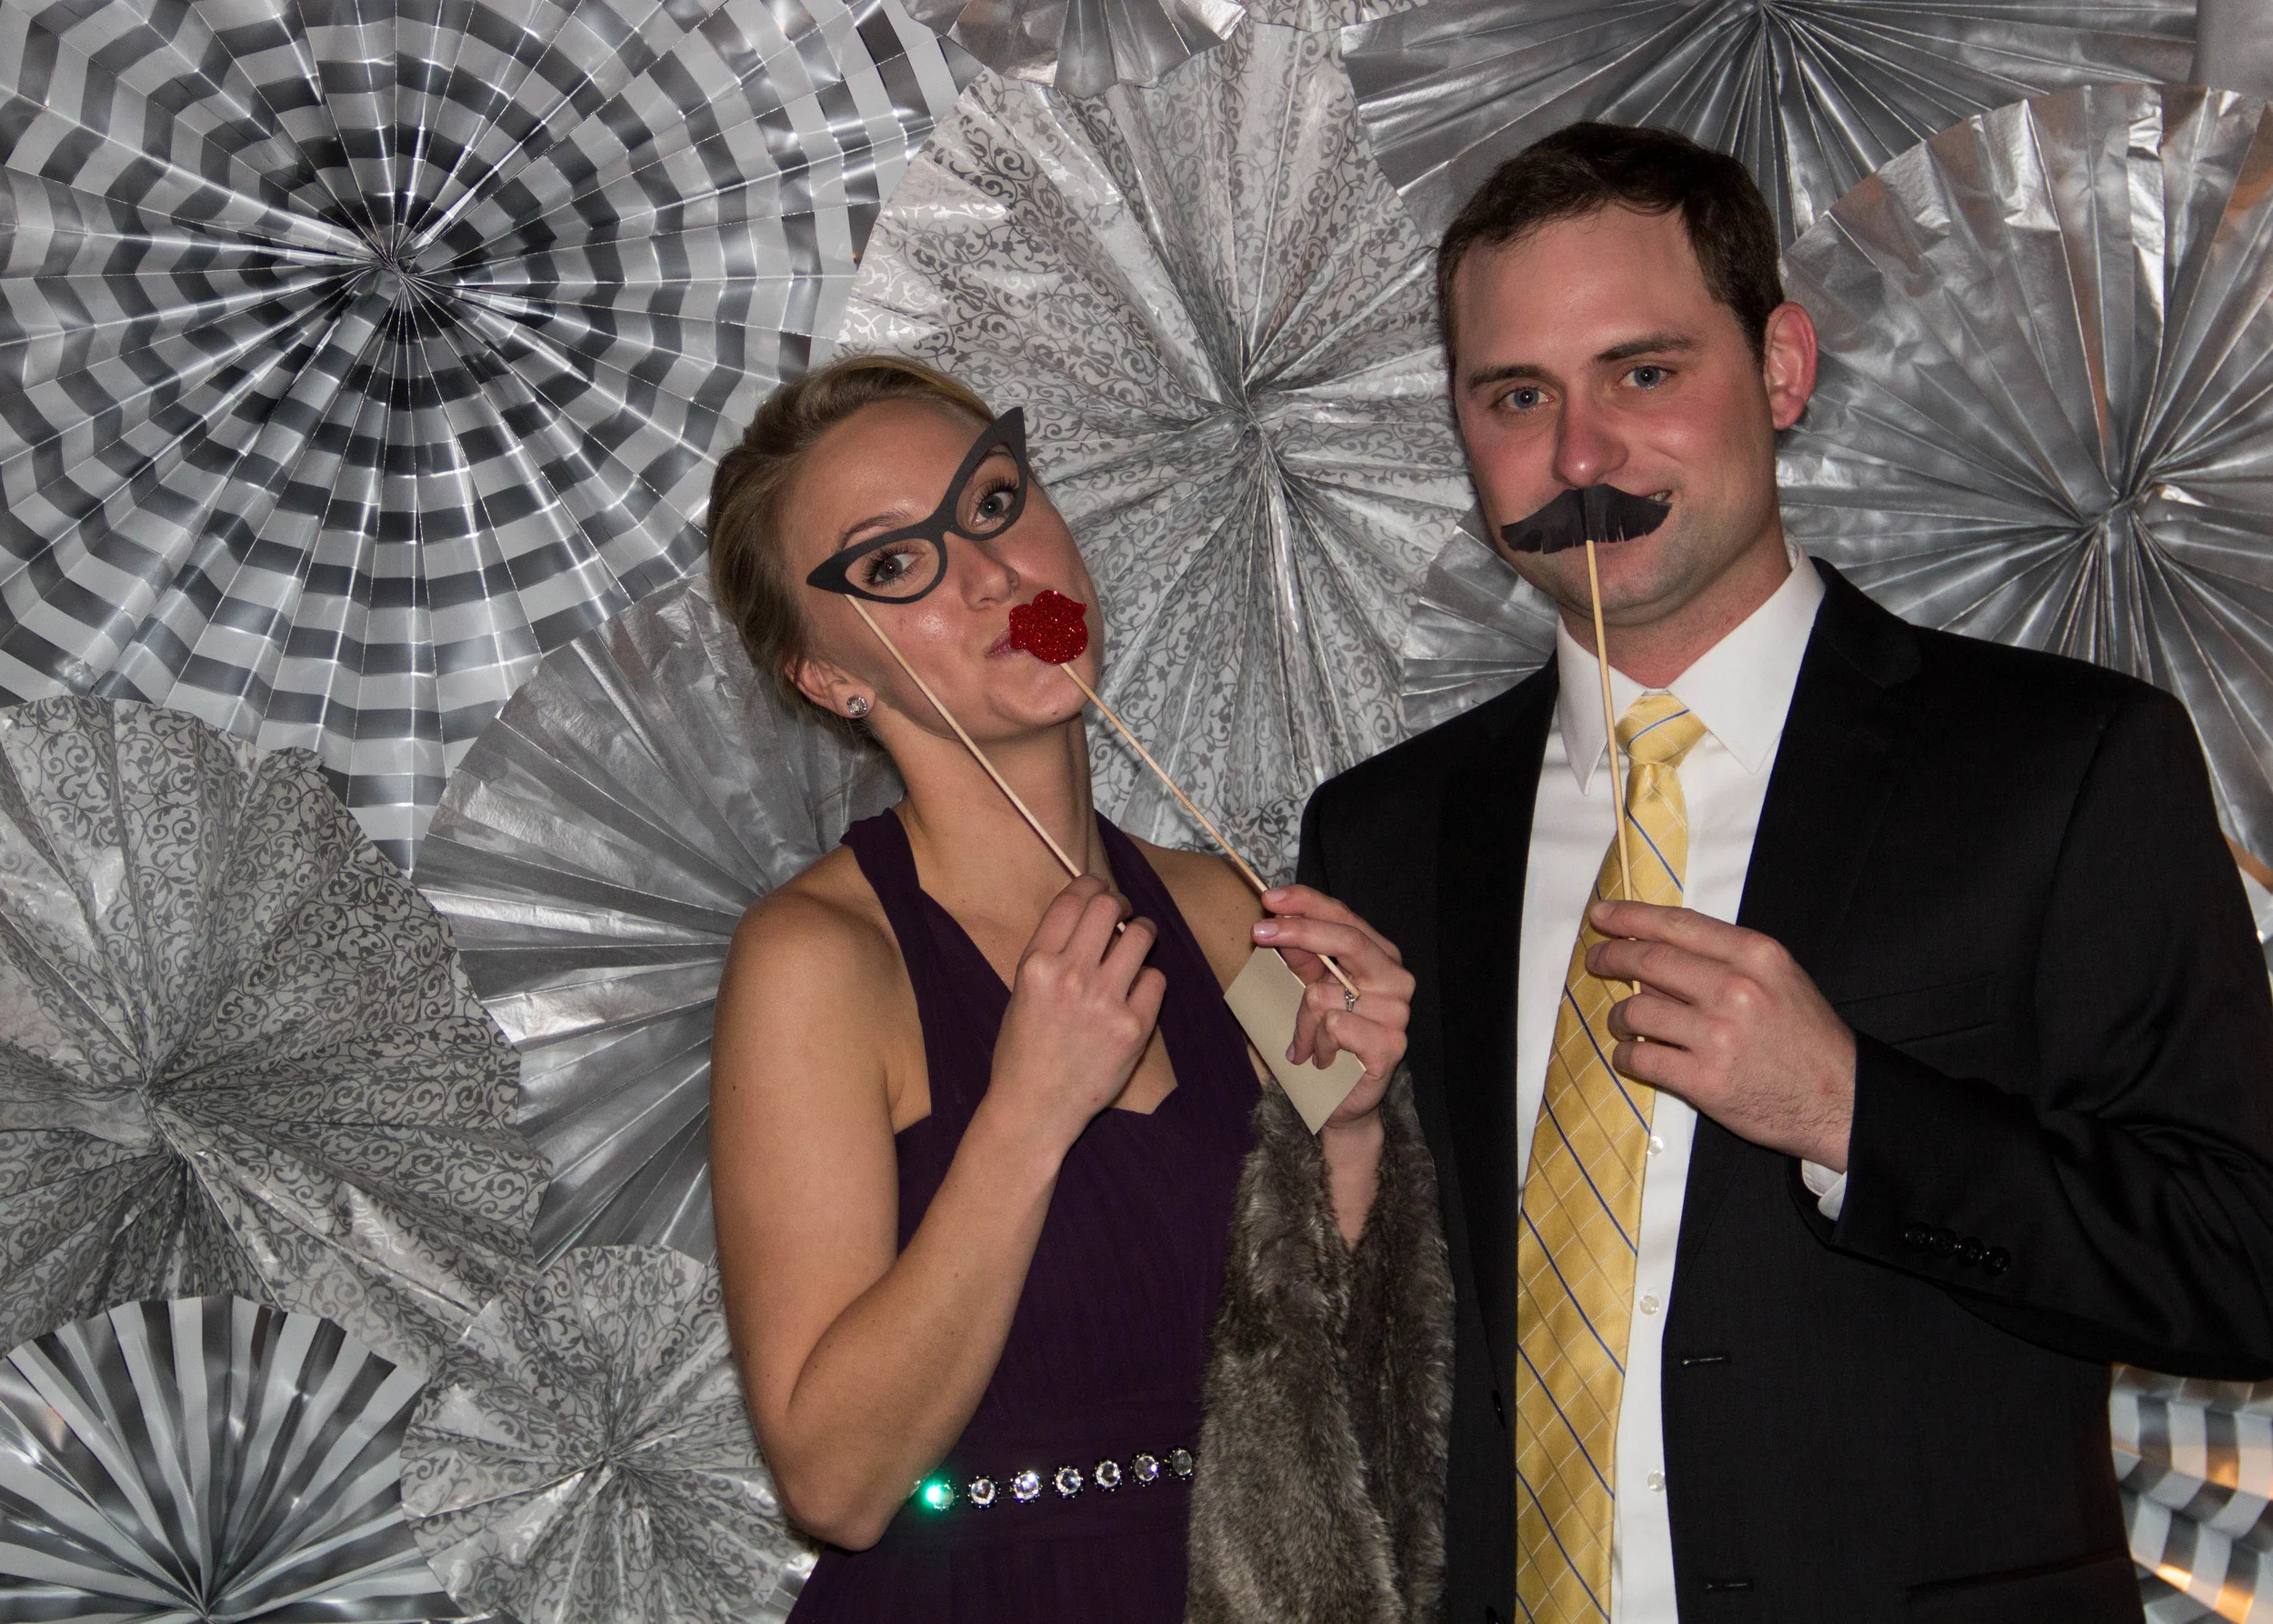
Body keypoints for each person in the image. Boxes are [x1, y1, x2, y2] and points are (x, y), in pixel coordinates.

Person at [1297, 122, 2273, 1624]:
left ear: (1783, 368)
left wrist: (1854, 1115)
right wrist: (1340, 1145)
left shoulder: (2066, 764)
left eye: (1643, 372)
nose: (1579, 457)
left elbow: (2243, 1261)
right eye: (1517, 396)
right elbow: (1334, 1349)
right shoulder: (1376, 833)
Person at [705, 355, 1449, 1622]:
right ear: (830, 677)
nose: (992, 573)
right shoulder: (815, 962)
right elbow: (834, 1483)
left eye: (994, 501)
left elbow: (1348, 1366)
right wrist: (1027, 1114)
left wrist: (1359, 1120)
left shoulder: (1233, 916)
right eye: (896, 564)